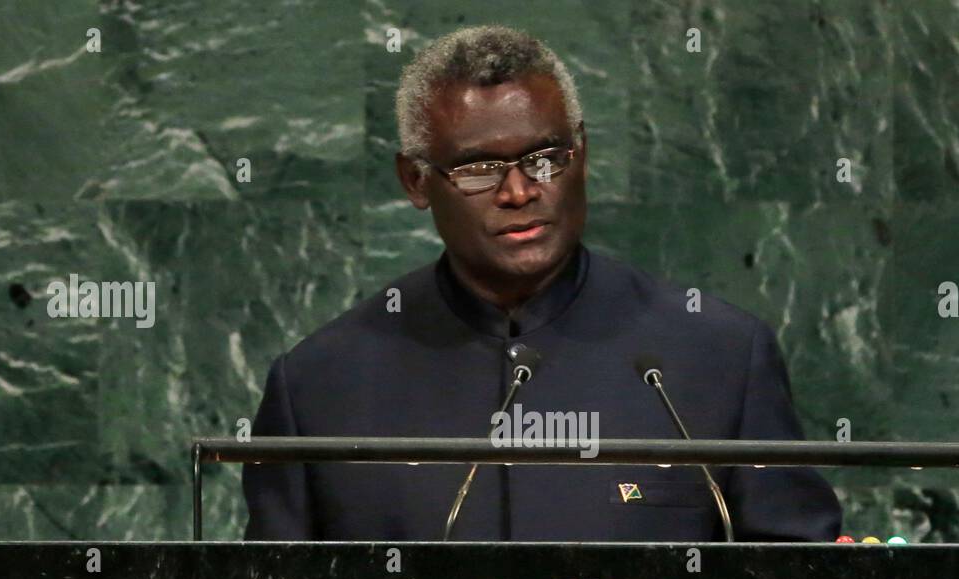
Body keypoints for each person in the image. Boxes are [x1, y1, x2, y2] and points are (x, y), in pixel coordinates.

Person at [243, 25, 841, 542]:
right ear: (416, 181)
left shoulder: (721, 357)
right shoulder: (320, 389)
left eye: (546, 157)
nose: (520, 191)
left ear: (582, 153)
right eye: (479, 168)